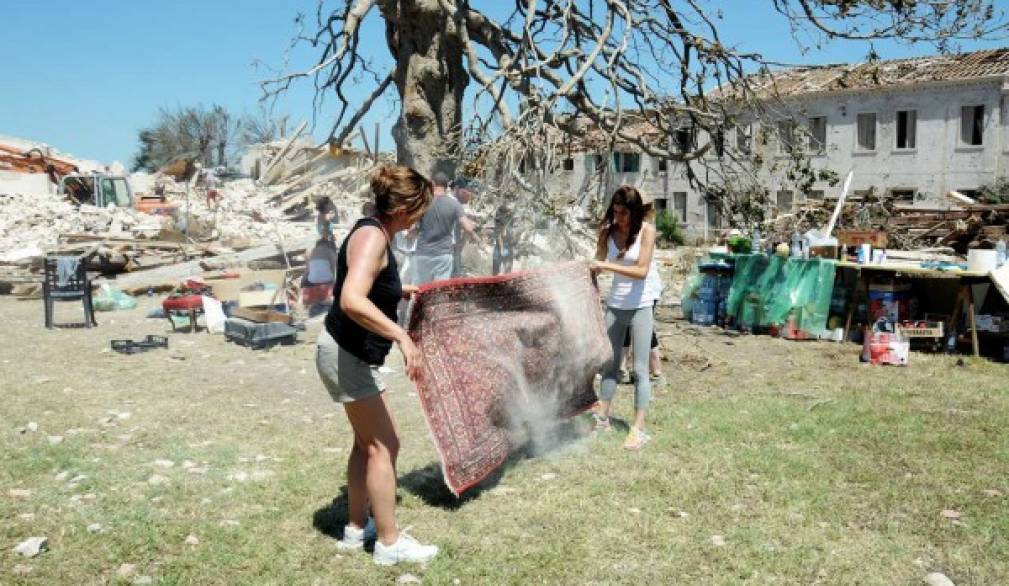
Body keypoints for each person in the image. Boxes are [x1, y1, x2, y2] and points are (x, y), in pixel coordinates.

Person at [315, 164, 438, 566]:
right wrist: (402, 337)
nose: (420, 217)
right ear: (403, 207)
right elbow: (351, 298)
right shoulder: (373, 238)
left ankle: (355, 529)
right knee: (386, 444)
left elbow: (366, 284)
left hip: (342, 350)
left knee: (365, 444)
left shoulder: (371, 231)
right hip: (347, 354)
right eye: (419, 208)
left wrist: (395, 290)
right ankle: (388, 543)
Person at [590, 186, 662, 450]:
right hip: (616, 303)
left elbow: (641, 270)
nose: (618, 217)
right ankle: (602, 419)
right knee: (610, 364)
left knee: (640, 369)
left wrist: (605, 266)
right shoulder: (606, 233)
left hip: (642, 302)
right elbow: (596, 263)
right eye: (615, 211)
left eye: (624, 213)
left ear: (634, 212)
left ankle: (638, 429)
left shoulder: (647, 231)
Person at [413, 171, 483, 284]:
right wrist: (476, 237)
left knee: (420, 290)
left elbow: (412, 226)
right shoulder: (455, 205)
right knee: (439, 291)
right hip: (443, 255)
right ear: (446, 186)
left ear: (432, 184)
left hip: (423, 253)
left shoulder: (423, 202)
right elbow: (468, 228)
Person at [492, 202, 515, 276]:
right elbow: (499, 235)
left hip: (504, 247)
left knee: (501, 271)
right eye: (508, 211)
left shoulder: (507, 219)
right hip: (502, 247)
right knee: (501, 271)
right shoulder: (501, 220)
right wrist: (502, 249)